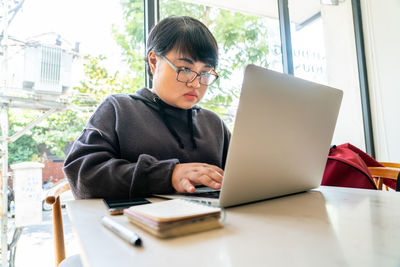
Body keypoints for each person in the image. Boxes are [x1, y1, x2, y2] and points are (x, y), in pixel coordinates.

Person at [63, 16, 231, 199]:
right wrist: (169, 175)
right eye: (185, 69)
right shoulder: (119, 110)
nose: (196, 84)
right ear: (153, 61)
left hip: (214, 223)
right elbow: (82, 174)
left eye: (205, 73)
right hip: (137, 224)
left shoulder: (214, 124)